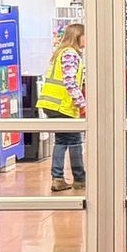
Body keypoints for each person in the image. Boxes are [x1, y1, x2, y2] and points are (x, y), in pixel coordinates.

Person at [37, 22, 87, 192]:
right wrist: (82, 104)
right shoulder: (70, 54)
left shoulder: (61, 53)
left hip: (52, 104)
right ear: (78, 36)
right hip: (61, 105)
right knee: (74, 142)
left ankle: (58, 177)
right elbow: (70, 82)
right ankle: (79, 178)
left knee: (61, 140)